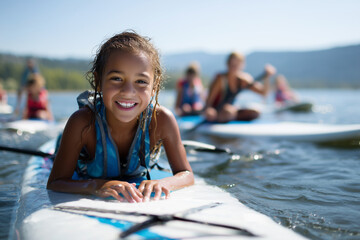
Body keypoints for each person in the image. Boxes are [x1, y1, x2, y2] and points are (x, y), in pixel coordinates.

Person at [47, 31, 194, 203]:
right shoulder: (82, 123)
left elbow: (187, 174)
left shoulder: (162, 120)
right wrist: (95, 185)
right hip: (71, 147)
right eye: (116, 78)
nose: (128, 92)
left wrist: (165, 183)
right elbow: (55, 182)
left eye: (141, 81)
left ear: (154, 86)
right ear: (98, 81)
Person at [204, 52, 276, 123]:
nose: (233, 67)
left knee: (254, 113)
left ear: (242, 65)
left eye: (236, 65)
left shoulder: (243, 80)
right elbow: (208, 102)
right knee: (228, 111)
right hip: (217, 112)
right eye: (232, 64)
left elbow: (264, 93)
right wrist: (208, 110)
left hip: (230, 112)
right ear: (227, 64)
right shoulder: (221, 79)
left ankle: (231, 117)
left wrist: (267, 77)